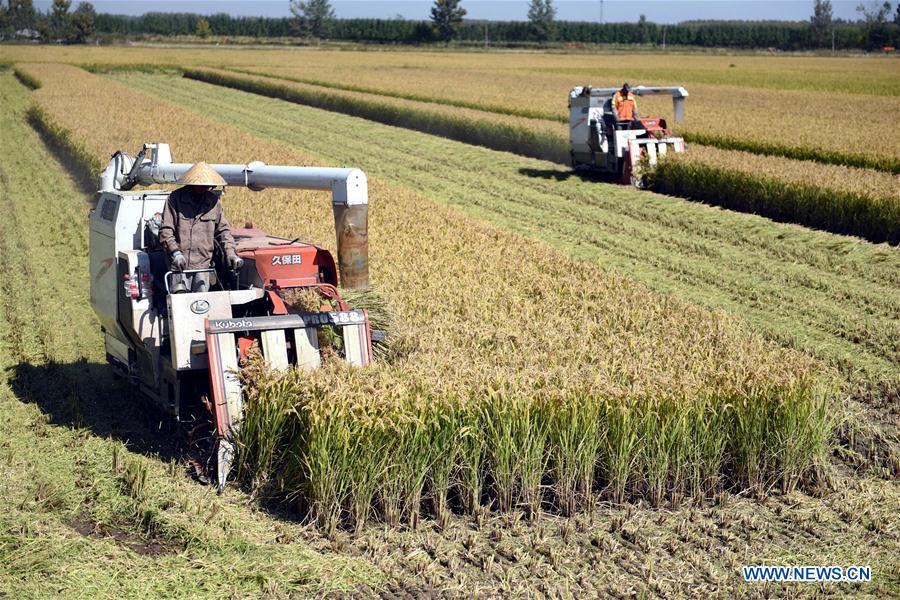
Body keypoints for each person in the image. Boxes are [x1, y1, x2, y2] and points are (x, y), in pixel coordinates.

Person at [158, 162, 243, 293]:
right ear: (192, 183)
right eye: (201, 185)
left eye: (208, 186)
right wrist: (175, 253)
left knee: (201, 307)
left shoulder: (214, 203)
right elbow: (166, 231)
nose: (205, 188)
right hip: (179, 266)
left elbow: (223, 231)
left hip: (203, 266)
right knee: (180, 307)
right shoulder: (175, 199)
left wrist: (231, 253)